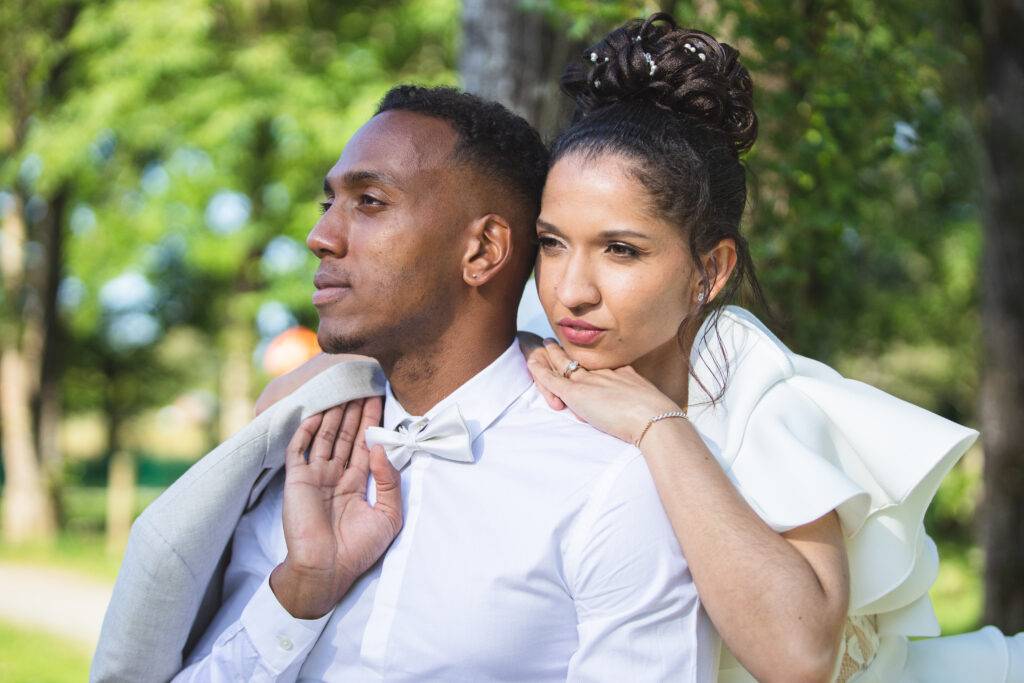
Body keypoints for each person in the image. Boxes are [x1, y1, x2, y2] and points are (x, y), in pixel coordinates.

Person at [258, 13, 1024, 683]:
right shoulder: (546, 324)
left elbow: (798, 659)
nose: (574, 289)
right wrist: (346, 375)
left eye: (622, 250)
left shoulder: (755, 389)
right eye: (554, 244)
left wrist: (658, 427)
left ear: (710, 270)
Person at [149, 85, 714, 680]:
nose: (321, 237)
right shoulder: (306, 451)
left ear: (483, 250)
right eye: (328, 204)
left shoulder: (608, 485)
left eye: (369, 201)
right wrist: (298, 594)